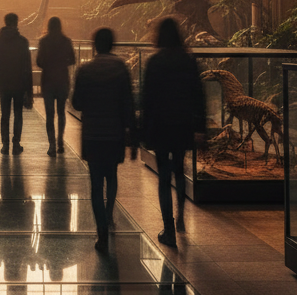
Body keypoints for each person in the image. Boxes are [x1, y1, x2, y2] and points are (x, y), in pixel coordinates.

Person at [140, 17, 206, 248]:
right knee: (179, 170)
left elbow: (146, 98)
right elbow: (199, 95)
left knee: (163, 178)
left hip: (160, 126)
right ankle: (181, 218)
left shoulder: (154, 62)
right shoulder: (188, 60)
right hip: (182, 124)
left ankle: (168, 228)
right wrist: (200, 127)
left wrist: (143, 130)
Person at [71, 27, 136, 253]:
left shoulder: (85, 70)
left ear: (94, 45)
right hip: (115, 133)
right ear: (112, 45)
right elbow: (129, 103)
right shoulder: (121, 69)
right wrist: (132, 135)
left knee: (96, 183)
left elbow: (77, 103)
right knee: (112, 175)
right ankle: (109, 214)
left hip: (93, 134)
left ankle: (101, 232)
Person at [0, 12, 33, 154]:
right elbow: (27, 68)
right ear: (16, 23)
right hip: (19, 84)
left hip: (3, 83)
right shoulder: (23, 42)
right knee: (18, 114)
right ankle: (16, 143)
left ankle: (5, 144)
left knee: (4, 115)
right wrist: (29, 90)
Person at [36, 16, 76, 156]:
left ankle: (51, 144)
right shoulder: (66, 41)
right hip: (62, 79)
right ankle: (60, 141)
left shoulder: (43, 41)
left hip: (48, 80)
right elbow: (72, 59)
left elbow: (39, 61)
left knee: (49, 114)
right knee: (61, 113)